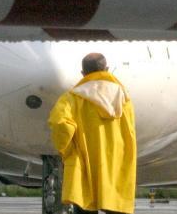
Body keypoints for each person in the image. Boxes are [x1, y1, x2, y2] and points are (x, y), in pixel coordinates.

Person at [48, 53, 137, 214]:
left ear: (82, 73)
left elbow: (59, 124)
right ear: (107, 69)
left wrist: (67, 151)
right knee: (115, 206)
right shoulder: (124, 98)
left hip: (84, 163)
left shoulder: (71, 98)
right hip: (115, 164)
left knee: (84, 205)